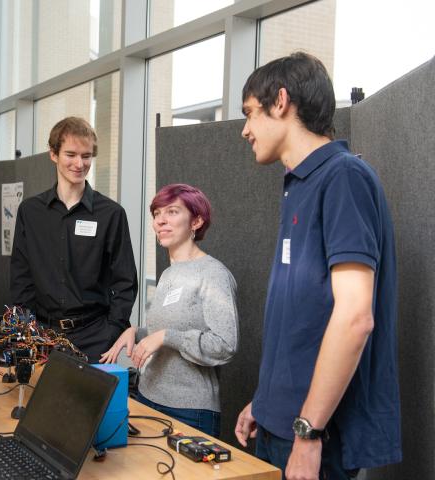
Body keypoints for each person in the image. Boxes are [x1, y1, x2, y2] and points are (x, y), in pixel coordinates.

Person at [234, 52, 400, 479]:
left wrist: (308, 433)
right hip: (284, 422)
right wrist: (265, 402)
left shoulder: (343, 178)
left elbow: (354, 318)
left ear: (282, 101)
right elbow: (302, 317)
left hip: (315, 435)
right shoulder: (298, 186)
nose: (245, 129)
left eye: (250, 113)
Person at [101, 184, 238, 437]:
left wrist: (166, 336)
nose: (161, 221)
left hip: (190, 411)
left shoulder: (213, 274)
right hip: (148, 397)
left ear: (196, 221)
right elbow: (164, 332)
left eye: (172, 212)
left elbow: (224, 345)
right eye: (156, 214)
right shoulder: (168, 274)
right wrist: (137, 332)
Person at [10, 117, 138, 362]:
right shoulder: (30, 211)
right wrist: (27, 330)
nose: (79, 163)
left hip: (95, 337)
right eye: (71, 154)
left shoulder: (111, 214)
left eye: (86, 156)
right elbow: (21, 277)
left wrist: (112, 330)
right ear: (53, 154)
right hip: (42, 336)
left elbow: (125, 281)